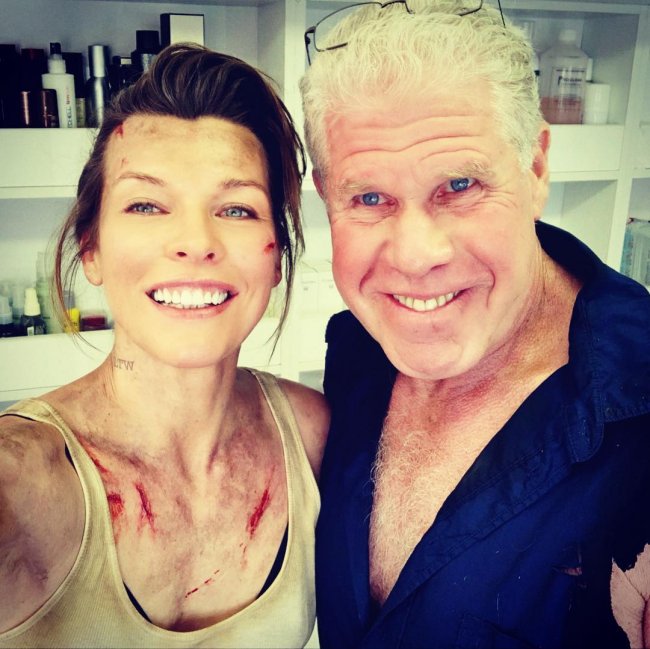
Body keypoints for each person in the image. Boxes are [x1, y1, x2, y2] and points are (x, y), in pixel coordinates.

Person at [300, 1, 650, 647]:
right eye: (369, 197)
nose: (415, 256)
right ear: (327, 197)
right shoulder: (357, 354)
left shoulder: (640, 411)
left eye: (459, 185)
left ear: (536, 167)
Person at [0, 44, 328, 647]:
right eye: (146, 204)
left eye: (237, 209)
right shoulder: (19, 479)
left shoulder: (312, 436)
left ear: (277, 257)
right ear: (91, 248)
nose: (196, 242)